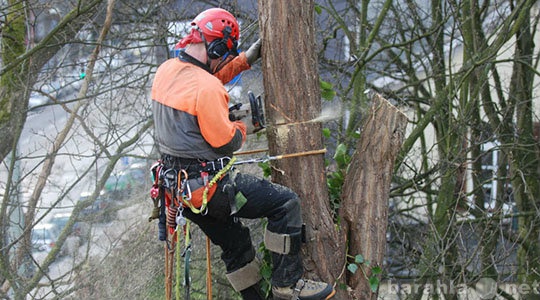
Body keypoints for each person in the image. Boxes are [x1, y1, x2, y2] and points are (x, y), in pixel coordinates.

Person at [151, 7, 335, 300]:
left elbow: (206, 79)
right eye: (225, 53)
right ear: (216, 45)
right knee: (285, 204)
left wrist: (245, 60)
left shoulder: (168, 71)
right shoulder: (206, 88)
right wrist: (243, 125)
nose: (225, 58)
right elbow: (226, 143)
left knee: (236, 243)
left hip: (180, 191)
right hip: (211, 191)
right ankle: (288, 283)